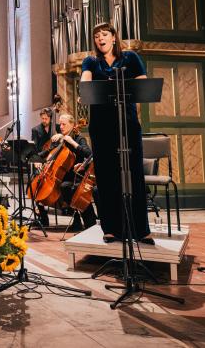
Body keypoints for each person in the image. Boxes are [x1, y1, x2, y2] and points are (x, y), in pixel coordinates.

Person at [80, 22, 153, 244]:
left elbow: (142, 85)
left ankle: (141, 229)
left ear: (113, 37)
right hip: (101, 124)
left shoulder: (130, 58)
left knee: (134, 174)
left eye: (104, 34)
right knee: (106, 175)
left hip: (127, 121)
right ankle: (110, 228)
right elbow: (85, 84)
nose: (100, 38)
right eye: (96, 36)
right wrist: (87, 83)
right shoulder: (91, 61)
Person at [51, 113, 96, 231]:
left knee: (69, 188)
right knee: (64, 187)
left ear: (72, 125)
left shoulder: (78, 138)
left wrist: (72, 142)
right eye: (60, 124)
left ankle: (90, 221)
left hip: (79, 175)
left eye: (63, 124)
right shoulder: (62, 138)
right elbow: (52, 154)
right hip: (65, 175)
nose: (60, 126)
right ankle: (76, 221)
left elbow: (88, 153)